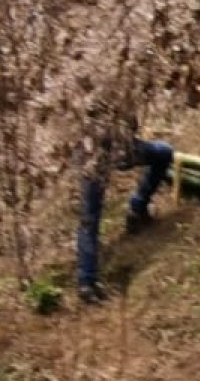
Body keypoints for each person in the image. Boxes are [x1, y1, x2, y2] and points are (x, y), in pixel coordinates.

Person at [75, 125, 175, 306]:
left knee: (163, 153)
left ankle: (137, 210)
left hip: (122, 148)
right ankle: (87, 282)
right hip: (94, 156)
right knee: (90, 216)